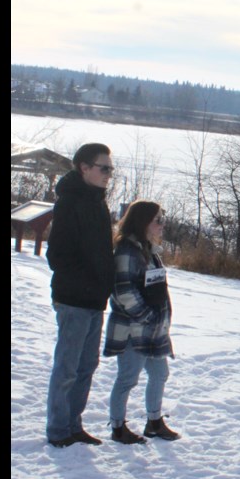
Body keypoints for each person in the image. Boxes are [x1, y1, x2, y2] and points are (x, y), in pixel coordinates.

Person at [45, 143, 116, 448]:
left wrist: (104, 283)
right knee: (67, 367)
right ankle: (59, 429)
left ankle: (74, 424)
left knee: (87, 366)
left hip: (94, 299)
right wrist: (88, 281)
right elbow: (57, 256)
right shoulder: (70, 202)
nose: (108, 174)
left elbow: (101, 252)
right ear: (84, 167)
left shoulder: (97, 201)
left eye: (111, 169)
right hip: (73, 298)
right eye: (104, 168)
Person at [103, 200, 180, 444]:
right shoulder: (127, 250)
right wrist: (148, 316)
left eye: (162, 218)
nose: (161, 224)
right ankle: (118, 427)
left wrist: (158, 320)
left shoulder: (148, 250)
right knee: (128, 378)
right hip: (133, 329)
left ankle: (154, 422)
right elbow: (123, 291)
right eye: (157, 219)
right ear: (143, 221)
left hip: (153, 330)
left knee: (160, 373)